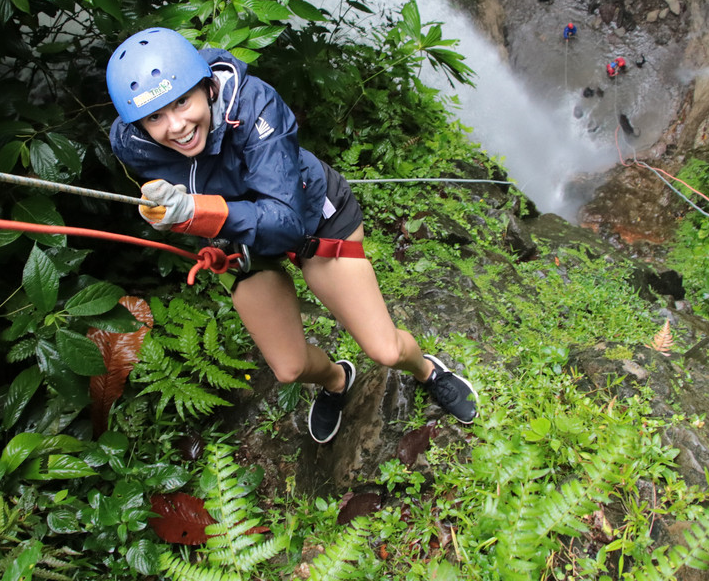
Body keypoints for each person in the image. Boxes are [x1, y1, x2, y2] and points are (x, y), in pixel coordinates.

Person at [106, 28, 479, 444]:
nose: (176, 126)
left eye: (182, 102)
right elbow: (169, 178)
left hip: (310, 219)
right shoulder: (132, 144)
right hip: (237, 241)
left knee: (386, 351)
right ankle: (337, 380)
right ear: (137, 123)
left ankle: (427, 370)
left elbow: (285, 221)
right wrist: (164, 204)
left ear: (207, 87)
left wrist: (199, 211)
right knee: (289, 368)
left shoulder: (255, 106)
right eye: (155, 116)